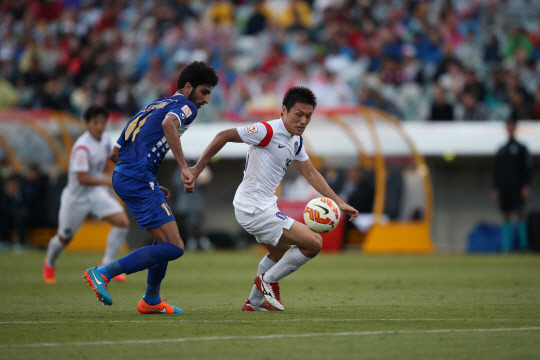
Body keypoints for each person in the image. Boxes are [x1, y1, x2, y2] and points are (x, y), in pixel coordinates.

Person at [189, 86, 358, 311]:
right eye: (298, 114)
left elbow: (310, 173)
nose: (303, 120)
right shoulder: (266, 130)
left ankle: (254, 302)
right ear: (284, 110)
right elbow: (224, 135)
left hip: (261, 206)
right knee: (314, 243)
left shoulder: (295, 140)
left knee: (278, 253)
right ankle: (267, 280)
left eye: (308, 116)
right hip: (253, 208)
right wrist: (197, 169)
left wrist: (339, 202)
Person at [83, 61, 218, 314]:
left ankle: (152, 301)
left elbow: (116, 152)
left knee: (163, 242)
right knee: (175, 247)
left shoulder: (154, 104)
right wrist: (183, 168)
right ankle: (103, 273)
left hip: (130, 175)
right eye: (204, 92)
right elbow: (169, 125)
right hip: (136, 177)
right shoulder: (185, 106)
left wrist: (150, 182)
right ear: (188, 87)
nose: (207, 100)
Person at [43, 105, 130, 284]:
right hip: (76, 199)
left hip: (96, 193)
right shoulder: (82, 147)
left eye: (102, 122)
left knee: (122, 223)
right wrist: (108, 181)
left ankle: (106, 267)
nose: (100, 126)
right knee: (64, 237)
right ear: (87, 124)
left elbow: (107, 161)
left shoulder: (105, 139)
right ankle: (50, 263)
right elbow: (82, 178)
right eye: (95, 122)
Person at [491, 118, 532, 252]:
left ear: (515, 128)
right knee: (506, 214)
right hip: (504, 187)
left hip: (517, 187)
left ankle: (524, 245)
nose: (509, 129)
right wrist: (495, 188)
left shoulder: (521, 148)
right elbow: (496, 170)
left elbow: (526, 168)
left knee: (520, 213)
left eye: (511, 126)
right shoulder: (501, 149)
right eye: (507, 126)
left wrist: (526, 185)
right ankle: (506, 247)